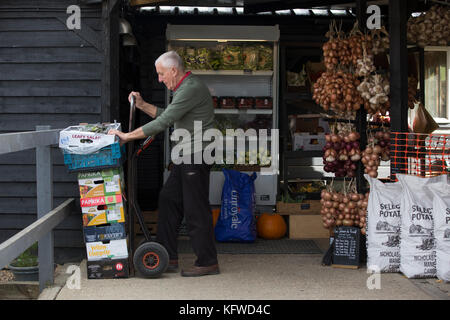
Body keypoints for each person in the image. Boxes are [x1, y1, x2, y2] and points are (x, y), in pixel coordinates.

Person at [108, 51, 219, 277]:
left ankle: (208, 261)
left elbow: (164, 121)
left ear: (173, 71)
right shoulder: (184, 89)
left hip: (196, 154)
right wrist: (141, 105)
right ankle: (169, 256)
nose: (159, 79)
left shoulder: (190, 88)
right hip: (186, 154)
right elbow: (167, 115)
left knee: (195, 208)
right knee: (168, 200)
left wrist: (128, 136)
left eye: (160, 74)